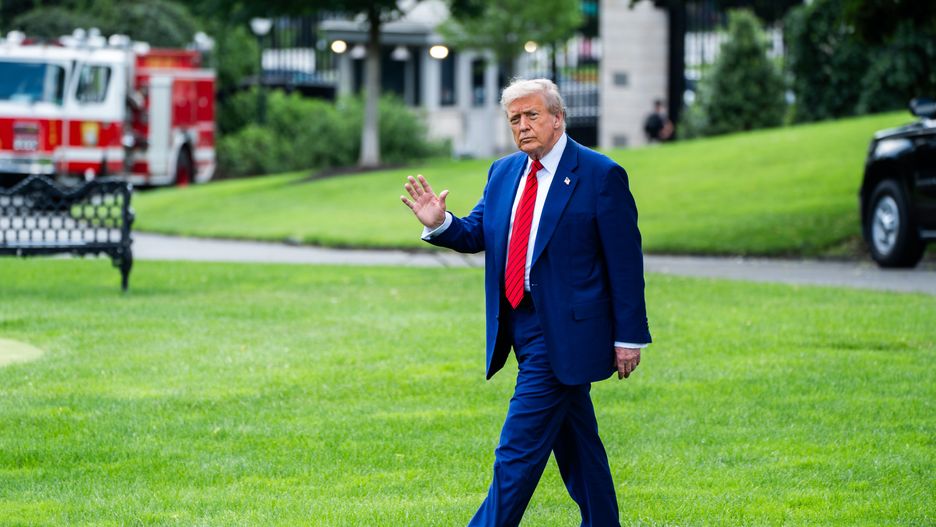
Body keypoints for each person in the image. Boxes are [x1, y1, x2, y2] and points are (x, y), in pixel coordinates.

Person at [400, 78, 651, 527]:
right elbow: (478, 232)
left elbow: (625, 263)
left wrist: (628, 337)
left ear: (558, 118)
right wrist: (441, 223)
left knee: (516, 452)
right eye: (514, 118)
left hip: (568, 331)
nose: (523, 126)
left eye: (532, 115)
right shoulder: (503, 172)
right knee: (578, 445)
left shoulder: (600, 175)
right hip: (520, 323)